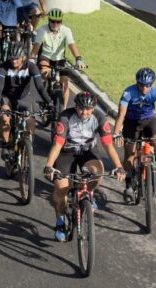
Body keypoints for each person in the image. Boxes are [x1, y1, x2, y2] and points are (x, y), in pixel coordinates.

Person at [43, 92, 125, 241]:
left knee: (97, 172)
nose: (85, 112)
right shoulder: (65, 117)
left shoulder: (100, 118)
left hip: (88, 151)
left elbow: (108, 145)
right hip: (66, 153)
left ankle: (88, 193)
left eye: (88, 109)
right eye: (81, 108)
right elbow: (57, 145)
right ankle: (60, 220)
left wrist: (119, 166)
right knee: (61, 187)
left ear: (93, 108)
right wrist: (49, 165)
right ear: (76, 106)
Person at [113, 67, 156, 193]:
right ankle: (129, 183)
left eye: (148, 85)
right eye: (141, 85)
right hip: (131, 122)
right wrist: (116, 133)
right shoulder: (128, 92)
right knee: (129, 155)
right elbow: (121, 115)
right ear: (137, 83)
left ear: (153, 84)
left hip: (149, 120)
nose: (145, 89)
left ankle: (155, 161)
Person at [0, 43, 47, 162]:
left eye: (16, 58)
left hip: (23, 98)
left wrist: (49, 102)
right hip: (7, 97)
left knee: (31, 121)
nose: (14, 61)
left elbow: (40, 87)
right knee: (6, 118)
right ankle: (6, 145)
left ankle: (28, 146)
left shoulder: (31, 67)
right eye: (11, 58)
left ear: (23, 57)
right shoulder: (4, 67)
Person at [30, 8, 85, 111]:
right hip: (46, 56)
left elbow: (71, 45)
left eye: (58, 21)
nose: (55, 24)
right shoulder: (42, 30)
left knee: (65, 82)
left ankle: (63, 109)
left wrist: (78, 59)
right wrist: (32, 58)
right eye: (53, 21)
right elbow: (37, 45)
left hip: (60, 59)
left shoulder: (66, 30)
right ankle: (42, 96)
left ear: (61, 21)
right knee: (44, 72)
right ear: (49, 20)